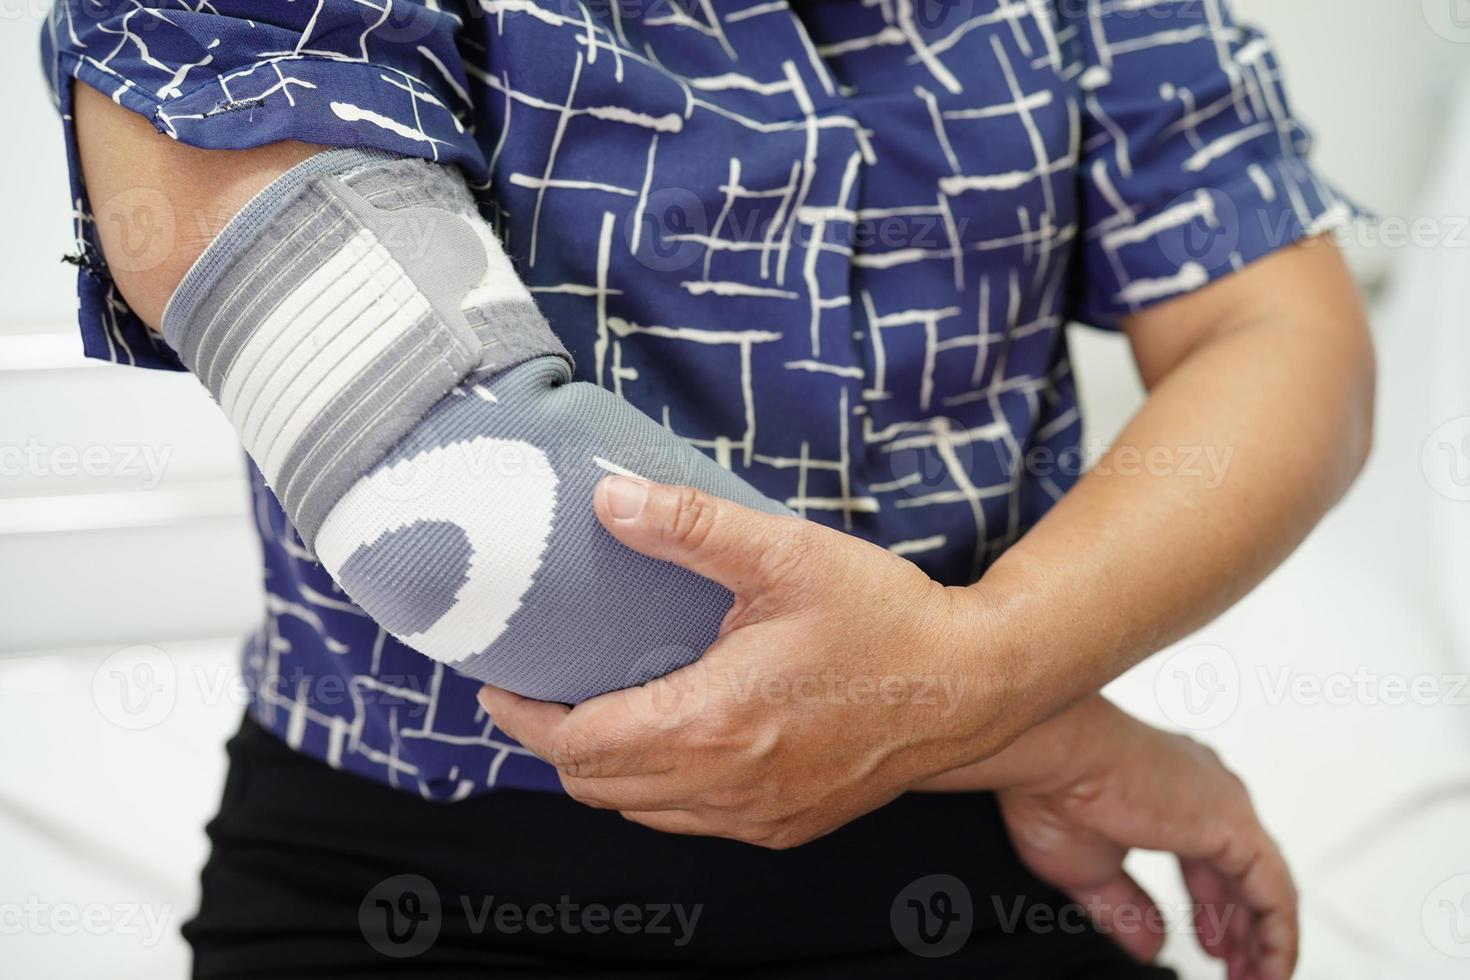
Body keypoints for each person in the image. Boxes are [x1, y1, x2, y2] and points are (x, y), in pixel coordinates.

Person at [45, 1, 1374, 977]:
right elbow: (452, 494)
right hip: (423, 881)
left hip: (978, 850)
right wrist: (1056, 734)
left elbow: (1275, 334)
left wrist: (994, 662)